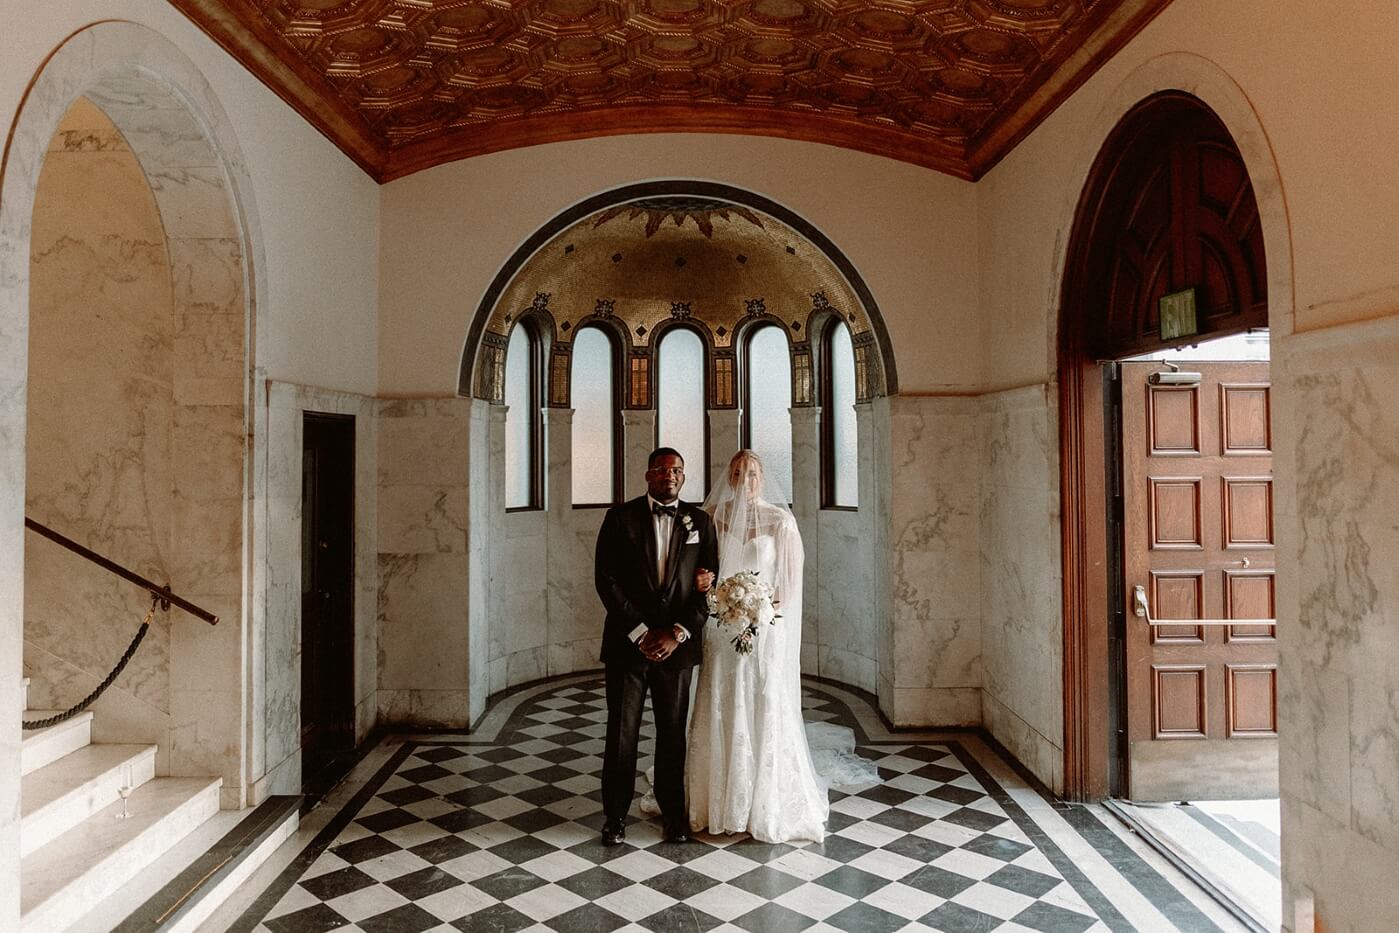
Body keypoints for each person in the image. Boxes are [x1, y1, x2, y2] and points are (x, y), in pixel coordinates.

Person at [687, 449, 874, 844]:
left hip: (763, 629)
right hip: (721, 629)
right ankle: (715, 797)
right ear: (730, 477)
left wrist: (757, 611)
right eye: (738, 473)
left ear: (762, 477)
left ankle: (763, 798)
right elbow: (702, 571)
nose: (746, 479)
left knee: (762, 700)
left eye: (753, 473)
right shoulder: (713, 519)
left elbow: (788, 584)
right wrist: (721, 602)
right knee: (720, 700)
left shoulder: (780, 521)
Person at [594, 447, 718, 845]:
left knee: (672, 734)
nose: (670, 475)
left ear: (684, 477)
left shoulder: (700, 521)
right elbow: (606, 581)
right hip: (629, 646)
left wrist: (677, 632)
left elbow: (710, 587)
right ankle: (614, 817)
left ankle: (673, 815)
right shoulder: (619, 518)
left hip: (677, 649)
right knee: (621, 733)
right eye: (662, 469)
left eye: (677, 470)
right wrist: (641, 632)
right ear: (648, 475)